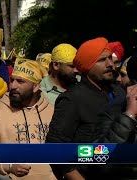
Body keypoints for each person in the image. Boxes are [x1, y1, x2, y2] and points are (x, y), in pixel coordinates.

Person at [46, 37, 125, 179]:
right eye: (101, 60)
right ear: (87, 66)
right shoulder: (72, 99)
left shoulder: (119, 92)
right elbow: (55, 147)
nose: (110, 64)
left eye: (110, 59)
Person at [0, 59, 56, 180]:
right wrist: (9, 166)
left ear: (35, 87)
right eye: (12, 80)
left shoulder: (52, 111)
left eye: (20, 81)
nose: (13, 86)